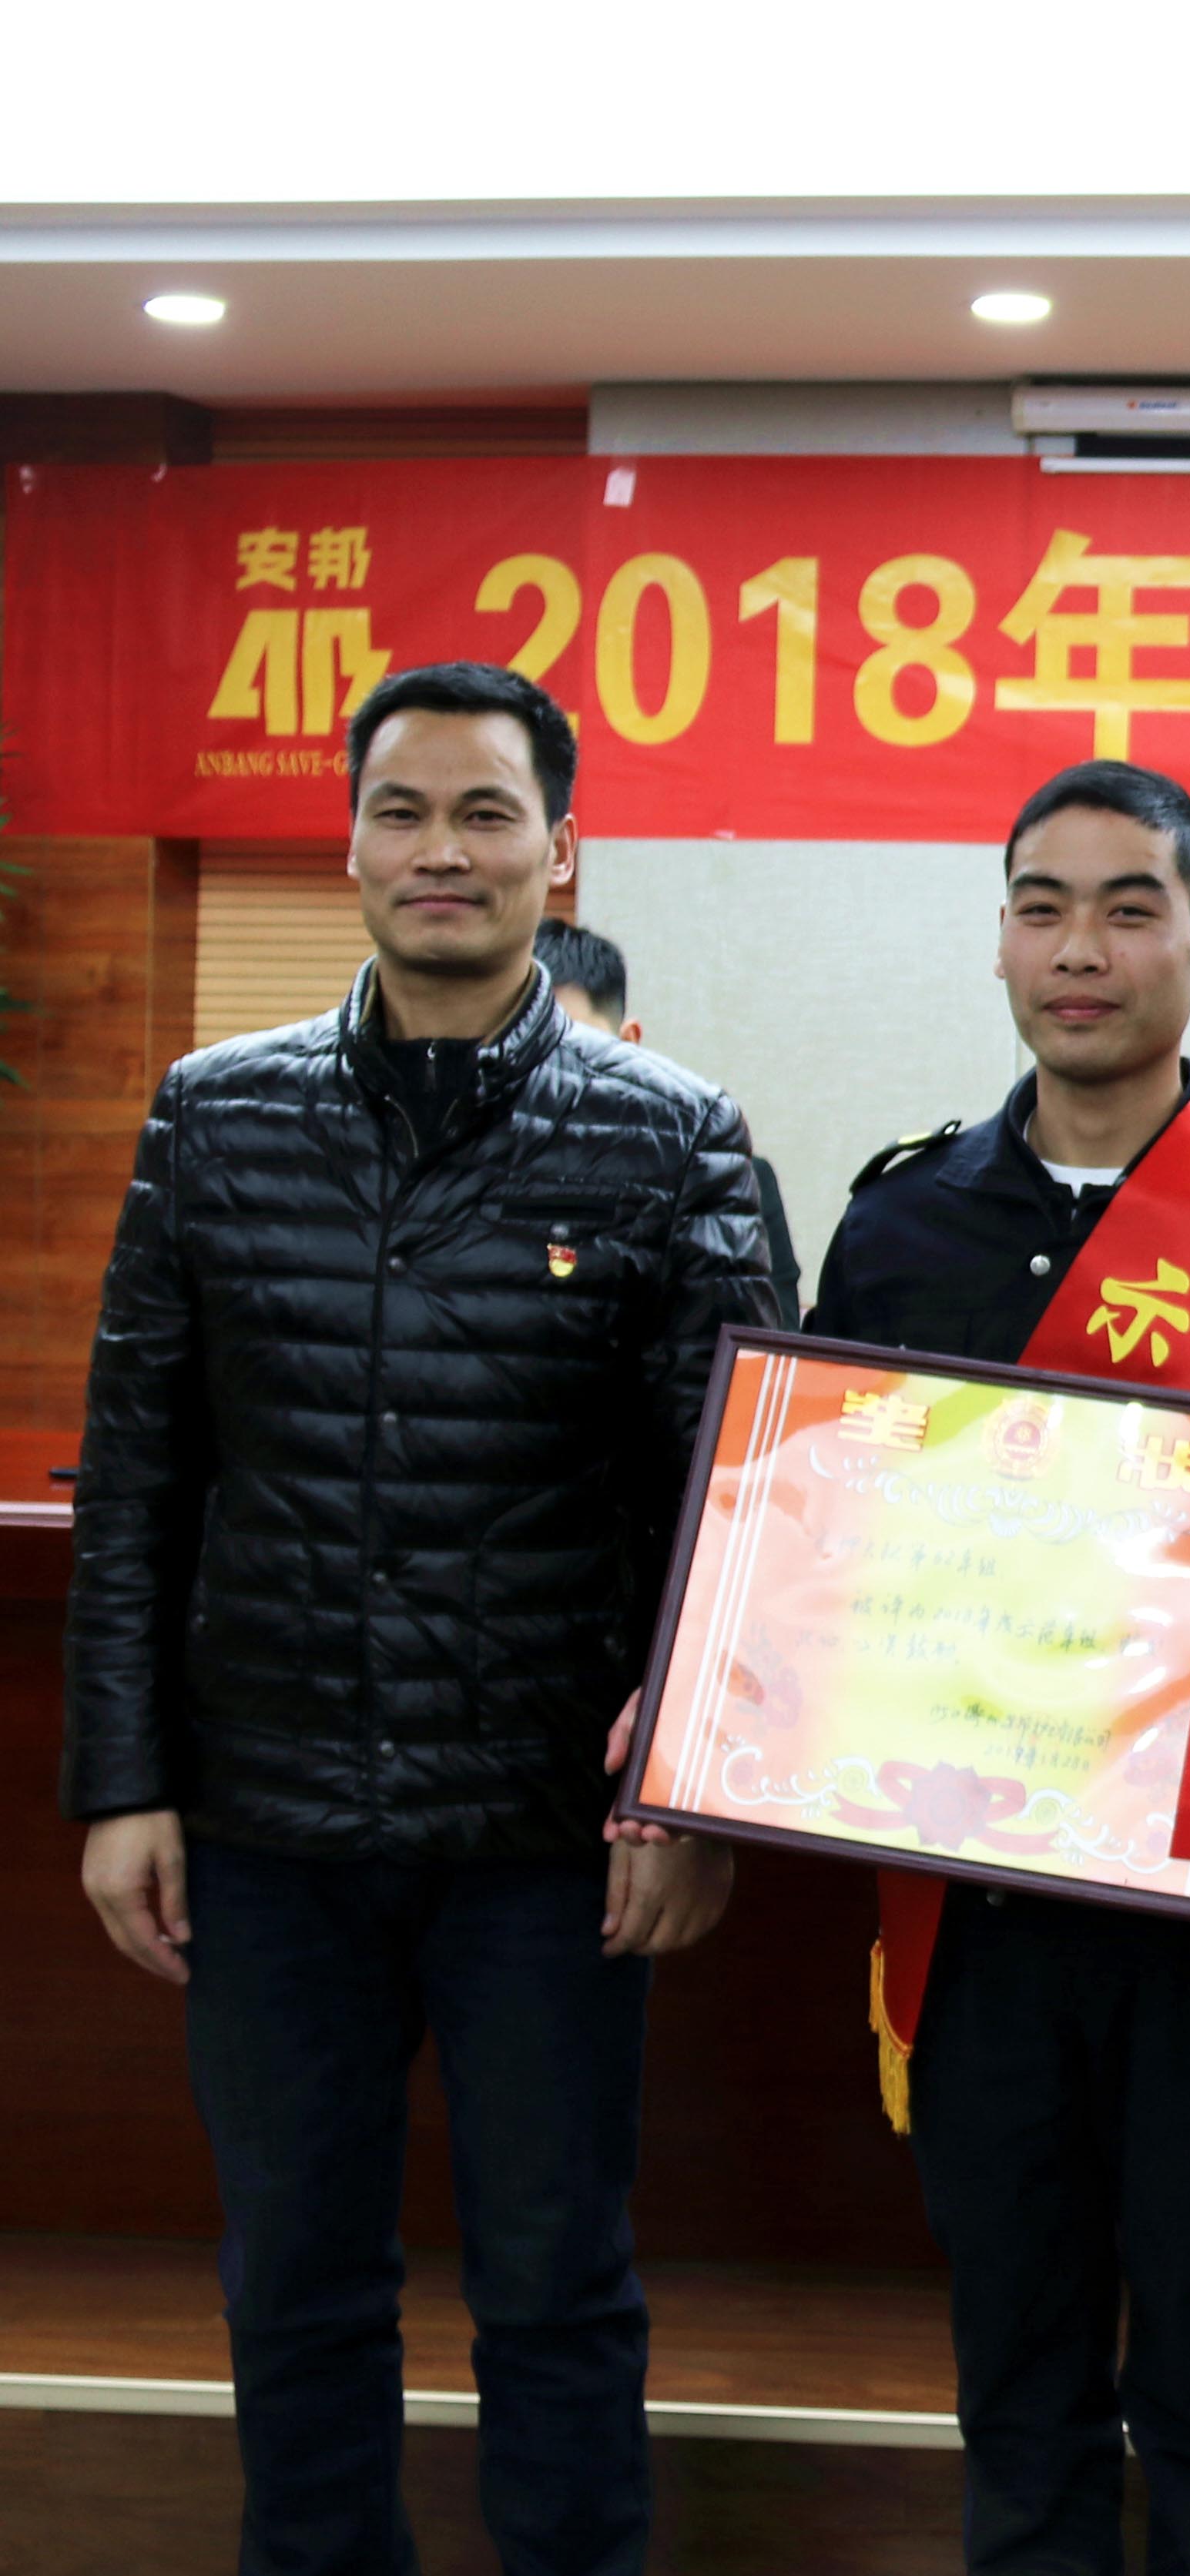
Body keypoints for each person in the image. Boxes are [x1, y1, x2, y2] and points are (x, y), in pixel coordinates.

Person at [66, 659, 767, 2576]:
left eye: (484, 813)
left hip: (547, 1837)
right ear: (353, 842)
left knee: (556, 2282)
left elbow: (741, 1505)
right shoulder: (215, 1113)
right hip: (269, 1815)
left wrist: (688, 1786)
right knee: (295, 2280)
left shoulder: (674, 1133)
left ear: (560, 849)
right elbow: (138, 1473)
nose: (440, 849)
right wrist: (123, 1780)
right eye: (401, 809)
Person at [794, 758, 1190, 2575]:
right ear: (1000, 939)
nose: (1082, 948)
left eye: (1130, 908)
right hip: (975, 1899)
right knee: (1018, 2364)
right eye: (1043, 906)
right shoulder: (898, 1224)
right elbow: (815, 1524)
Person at [535, 915, 805, 1318]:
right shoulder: (459, 1177)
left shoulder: (721, 1180)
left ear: (628, 1044)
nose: (553, 1075)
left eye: (578, 1050)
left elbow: (763, 1346)